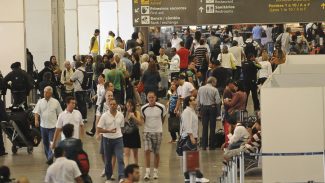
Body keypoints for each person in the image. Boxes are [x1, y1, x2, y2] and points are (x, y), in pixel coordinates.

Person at [181, 96, 210, 183]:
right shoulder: (187, 112)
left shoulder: (192, 111)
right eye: (193, 100)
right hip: (189, 137)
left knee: (189, 157)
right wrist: (191, 136)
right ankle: (198, 176)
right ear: (189, 102)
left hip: (192, 136)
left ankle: (188, 177)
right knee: (192, 157)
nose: (195, 100)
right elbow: (187, 125)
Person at [97, 99, 125, 182]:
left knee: (120, 158)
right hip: (107, 140)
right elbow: (99, 129)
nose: (113, 106)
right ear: (109, 105)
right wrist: (108, 131)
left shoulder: (120, 115)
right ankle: (108, 178)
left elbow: (122, 127)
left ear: (117, 105)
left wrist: (119, 134)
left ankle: (121, 177)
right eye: (111, 104)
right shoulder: (104, 116)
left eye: (114, 104)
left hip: (118, 140)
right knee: (108, 160)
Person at [140, 91, 166, 180]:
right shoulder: (143, 108)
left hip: (158, 132)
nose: (151, 99)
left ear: (155, 98)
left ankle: (155, 171)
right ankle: (147, 172)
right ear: (147, 98)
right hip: (147, 132)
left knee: (156, 153)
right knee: (147, 150)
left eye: (152, 97)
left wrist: (159, 127)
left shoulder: (161, 107)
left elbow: (163, 118)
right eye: (149, 97)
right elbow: (143, 119)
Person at [34, 86, 62, 161]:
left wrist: (60, 125)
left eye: (47, 92)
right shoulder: (40, 102)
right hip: (43, 126)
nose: (45, 93)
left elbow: (60, 114)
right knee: (45, 143)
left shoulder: (56, 102)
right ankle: (48, 157)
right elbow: (37, 112)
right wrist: (36, 120)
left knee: (51, 142)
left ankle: (50, 157)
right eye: (44, 92)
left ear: (51, 93)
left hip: (53, 126)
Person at [197, 77, 221, 150]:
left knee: (204, 127)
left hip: (203, 108)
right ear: (213, 82)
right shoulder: (215, 89)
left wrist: (198, 110)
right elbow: (218, 101)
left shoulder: (200, 89)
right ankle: (211, 146)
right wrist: (218, 111)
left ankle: (204, 145)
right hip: (212, 108)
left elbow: (198, 100)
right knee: (212, 127)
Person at [123, 99, 142, 166]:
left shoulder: (137, 113)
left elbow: (140, 123)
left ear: (133, 106)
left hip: (134, 134)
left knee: (135, 154)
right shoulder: (123, 113)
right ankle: (126, 168)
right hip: (126, 135)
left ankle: (136, 167)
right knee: (126, 153)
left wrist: (134, 117)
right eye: (127, 106)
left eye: (130, 106)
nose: (129, 107)